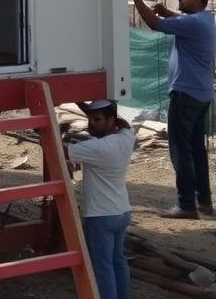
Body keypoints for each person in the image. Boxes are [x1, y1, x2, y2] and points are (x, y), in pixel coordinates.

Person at [122, 0, 216, 219]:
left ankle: (186, 205)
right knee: (196, 149)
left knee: (179, 149)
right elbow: (183, 20)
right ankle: (204, 201)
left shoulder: (192, 24)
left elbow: (154, 24)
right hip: (201, 94)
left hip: (186, 94)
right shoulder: (206, 19)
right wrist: (169, 13)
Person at [66, 99, 134, 299]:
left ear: (111, 120)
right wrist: (85, 105)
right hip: (122, 211)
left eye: (97, 120)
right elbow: (125, 124)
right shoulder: (126, 136)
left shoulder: (97, 147)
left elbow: (60, 149)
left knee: (102, 268)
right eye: (90, 119)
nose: (91, 124)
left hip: (100, 215)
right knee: (118, 261)